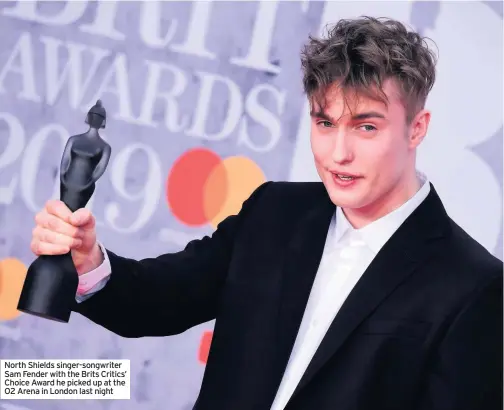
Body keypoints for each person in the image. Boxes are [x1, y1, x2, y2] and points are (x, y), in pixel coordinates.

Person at [30, 16, 502, 410]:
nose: (338, 153)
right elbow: (162, 299)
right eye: (325, 123)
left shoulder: (474, 285)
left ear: (416, 128)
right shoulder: (274, 211)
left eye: (366, 127)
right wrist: (89, 262)